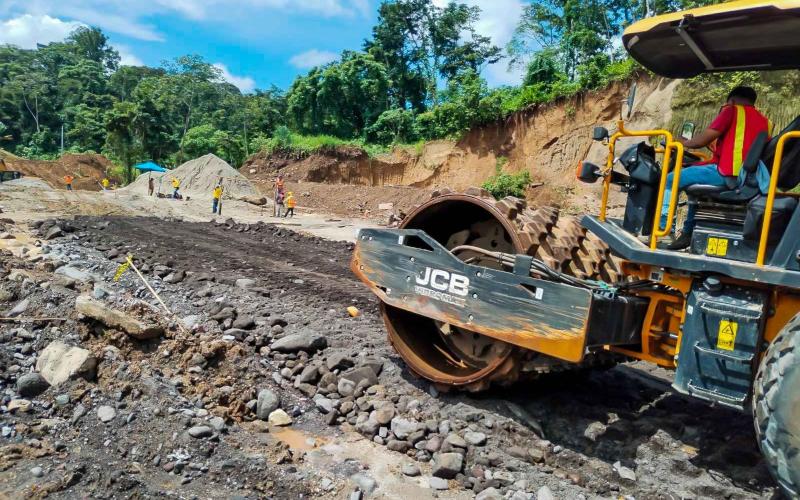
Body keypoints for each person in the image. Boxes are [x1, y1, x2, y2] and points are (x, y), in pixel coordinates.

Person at [660, 86, 770, 250]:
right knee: (693, 188)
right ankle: (688, 233)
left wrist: (683, 143)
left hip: (728, 173)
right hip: (747, 176)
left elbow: (700, 141)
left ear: (731, 100)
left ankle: (663, 228)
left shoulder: (731, 111)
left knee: (670, 179)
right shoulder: (765, 121)